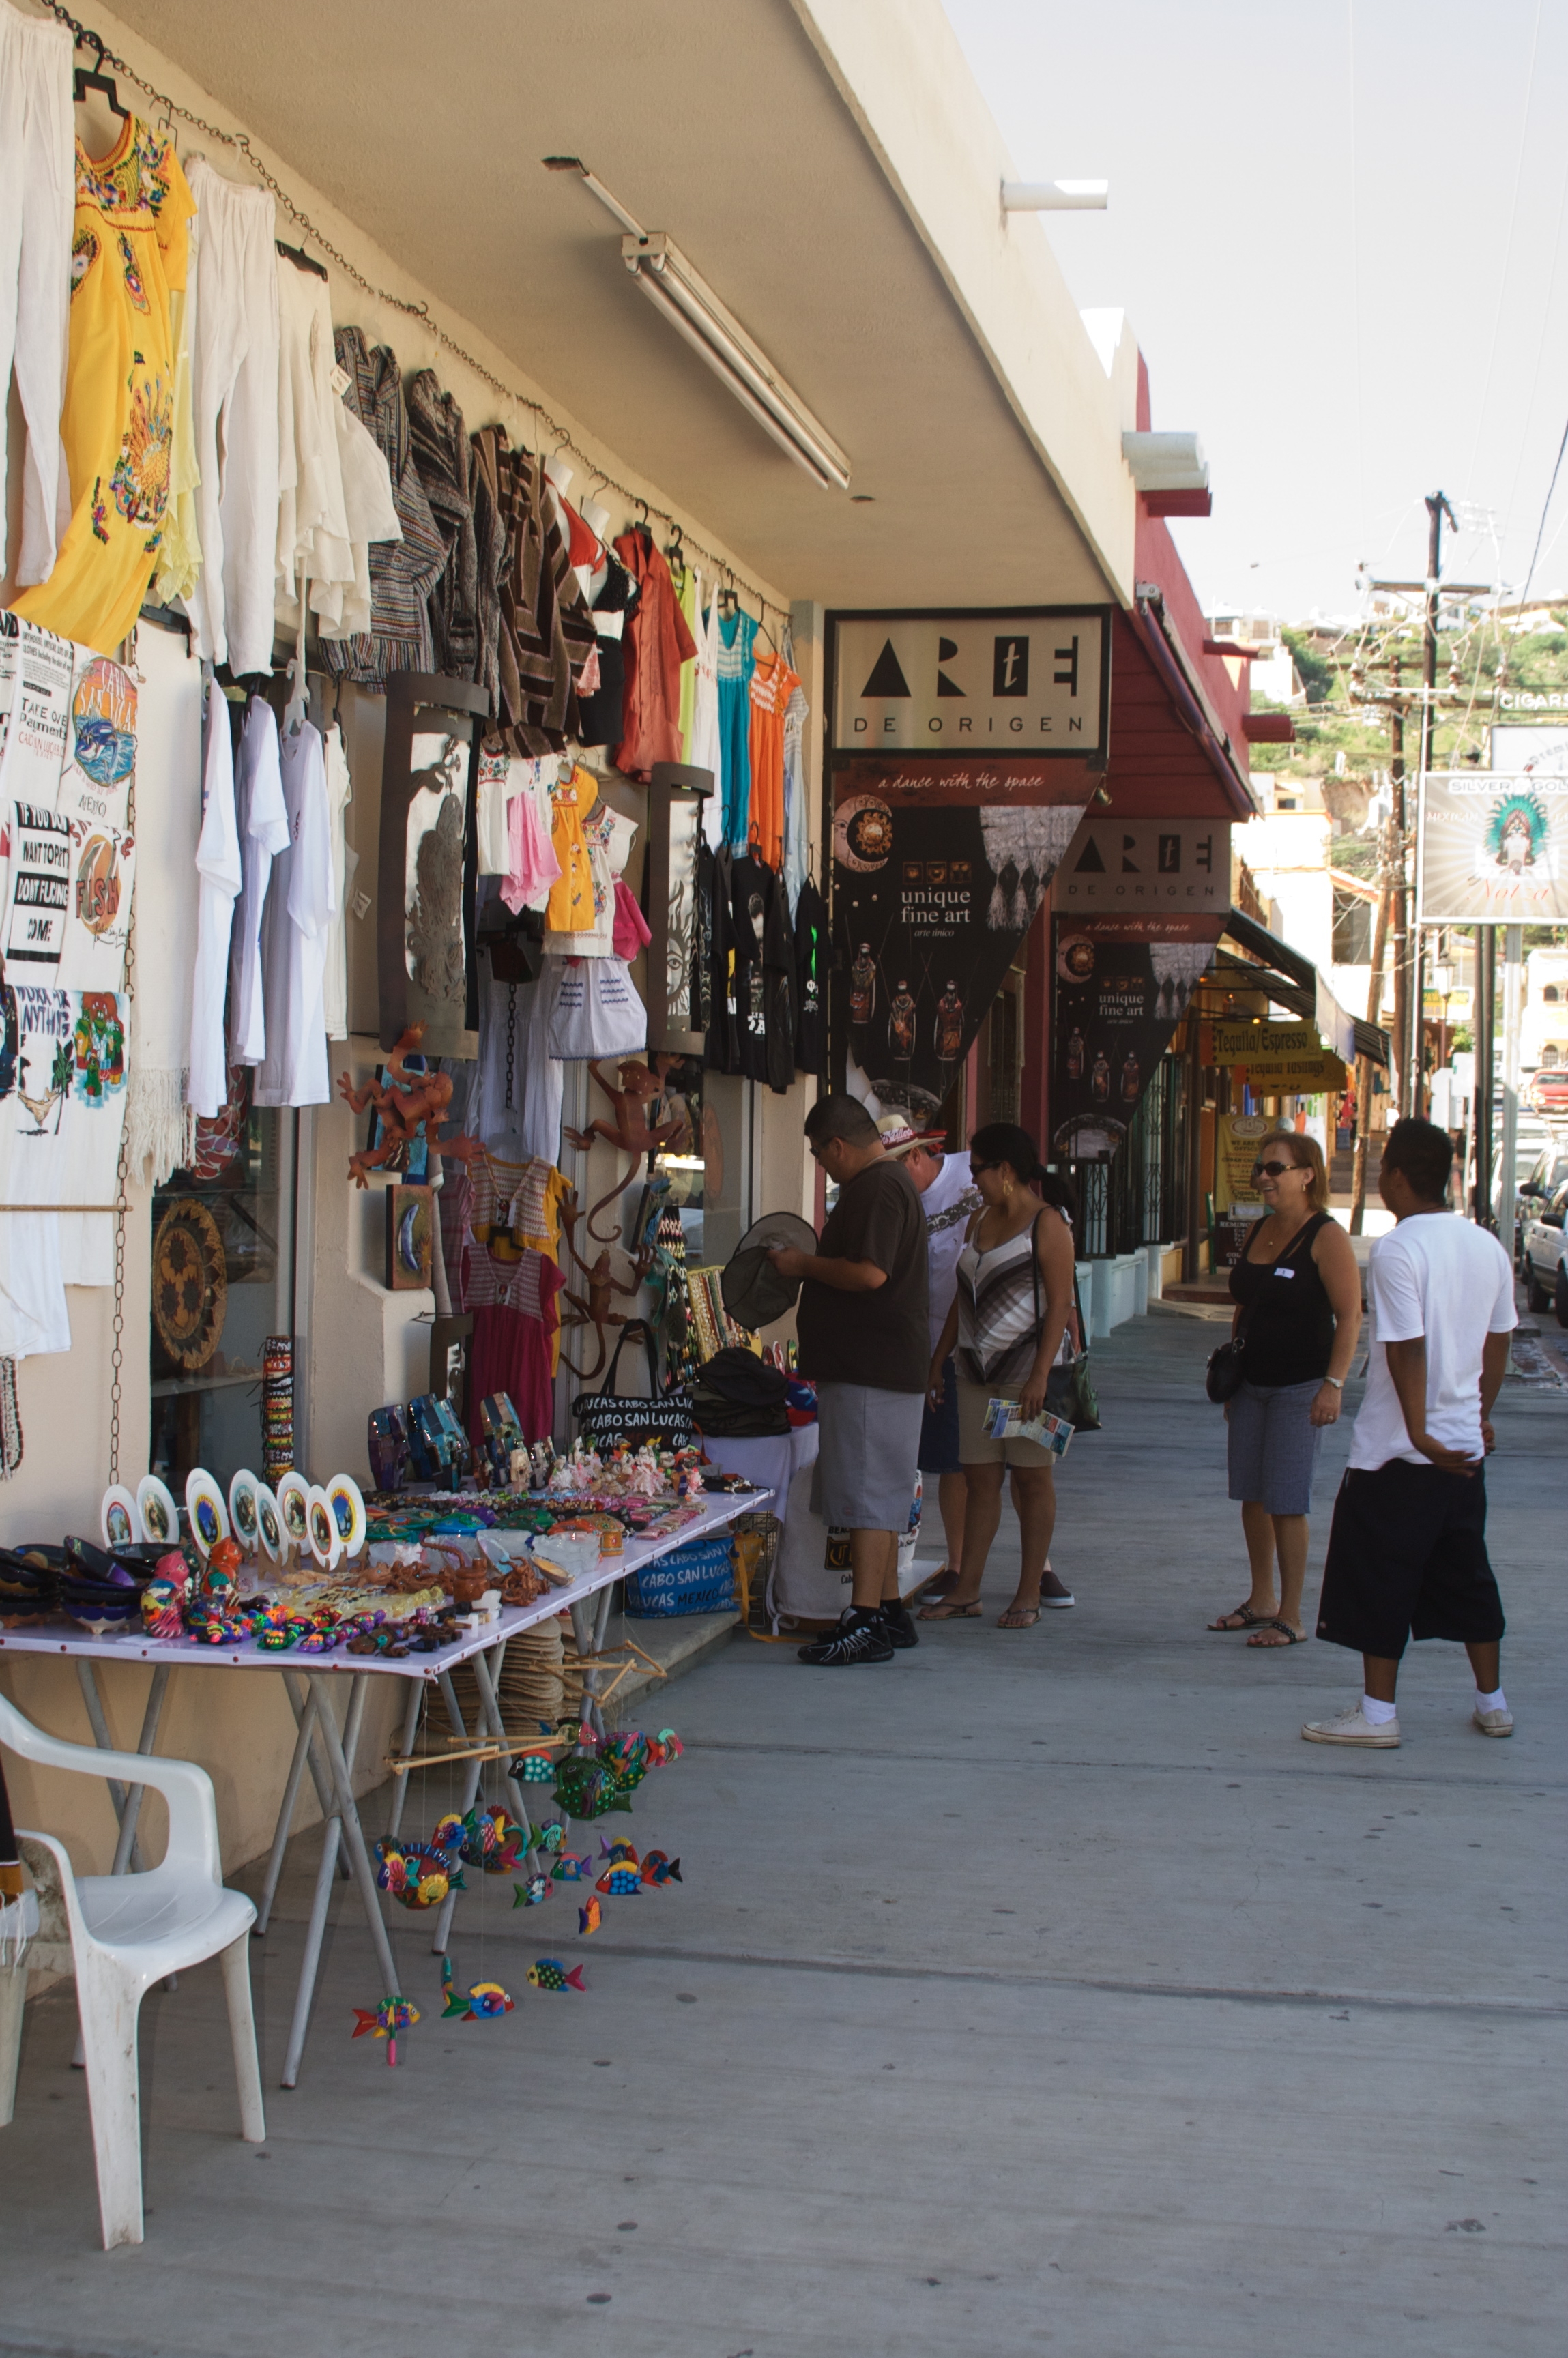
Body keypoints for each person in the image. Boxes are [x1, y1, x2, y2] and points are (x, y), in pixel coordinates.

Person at [1303, 1116, 1517, 1747]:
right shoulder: (1486, 1245)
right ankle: (1493, 1703)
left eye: (1383, 1171)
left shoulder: (1399, 1248)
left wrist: (1419, 1433)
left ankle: (1378, 1716)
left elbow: (1406, 1346)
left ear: (1397, 1175)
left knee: (1379, 1579)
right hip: (1463, 1449)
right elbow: (1499, 1340)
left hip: (1398, 1452)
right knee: (1468, 1573)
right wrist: (1478, 1413)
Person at [768, 1094, 929, 1666]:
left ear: (837, 1145)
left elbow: (869, 1273)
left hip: (872, 1370)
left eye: (818, 1153)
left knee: (868, 1498)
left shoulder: (878, 1187)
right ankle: (886, 1609)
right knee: (875, 1494)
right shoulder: (885, 1184)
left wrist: (801, 1265)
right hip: (874, 1367)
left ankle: (863, 1620)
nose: (820, 1164)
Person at [1208, 1129, 1362, 1647]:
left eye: (1275, 1168)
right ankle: (1262, 1598)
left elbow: (1350, 1315)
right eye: (1260, 1168)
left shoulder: (1326, 1235)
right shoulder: (1259, 1228)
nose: (1263, 1177)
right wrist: (1232, 1376)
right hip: (1251, 1384)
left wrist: (1333, 1385)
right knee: (1252, 1495)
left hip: (1301, 1387)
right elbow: (1245, 1305)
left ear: (1307, 1175)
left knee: (1287, 1500)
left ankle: (1292, 1616)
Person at [920, 1123, 1077, 1628]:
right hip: (975, 1372)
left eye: (978, 1170)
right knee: (979, 1480)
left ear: (1005, 1170)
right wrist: (940, 1361)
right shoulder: (980, 1219)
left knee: (1032, 1480)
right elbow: (961, 1300)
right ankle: (968, 1590)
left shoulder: (1048, 1224)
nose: (973, 1179)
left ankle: (1028, 1592)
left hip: (1026, 1377)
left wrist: (1039, 1377)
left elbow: (1061, 1306)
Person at [881, 1118, 980, 1605]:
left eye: (895, 1170)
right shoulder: (896, 1202)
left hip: (994, 1341)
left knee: (1021, 1462)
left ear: (916, 1156)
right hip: (934, 1343)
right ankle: (957, 1567)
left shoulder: (971, 1171)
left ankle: (1041, 1568)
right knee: (951, 1461)